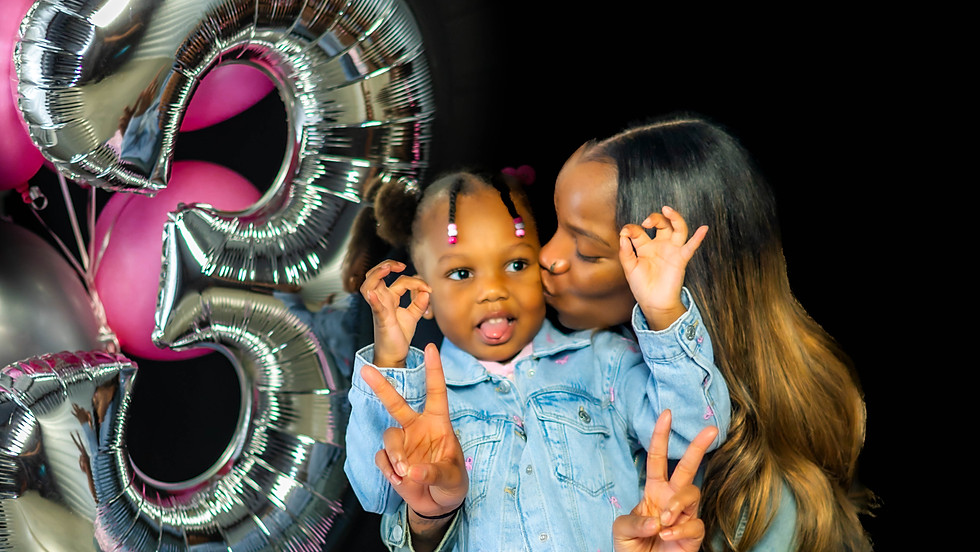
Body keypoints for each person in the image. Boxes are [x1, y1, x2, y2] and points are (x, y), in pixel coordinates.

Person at [538, 113, 875, 551]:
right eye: (553, 224)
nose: (546, 256)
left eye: (586, 250)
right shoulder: (548, 361)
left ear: (685, 275)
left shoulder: (759, 501)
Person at [344, 169, 730, 551]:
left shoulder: (603, 361)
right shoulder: (419, 403)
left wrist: (664, 310)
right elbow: (377, 495)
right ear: (423, 294)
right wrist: (390, 359)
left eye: (516, 265)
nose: (493, 290)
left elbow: (697, 429)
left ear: (541, 268)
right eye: (461, 272)